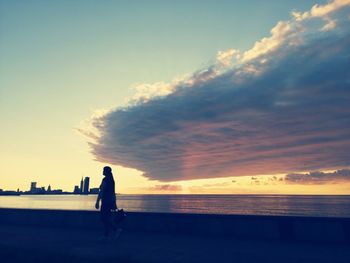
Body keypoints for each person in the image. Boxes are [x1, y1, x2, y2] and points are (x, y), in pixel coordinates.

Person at [95, 166, 119, 238]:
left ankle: (114, 230)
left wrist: (97, 201)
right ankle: (108, 233)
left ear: (106, 171)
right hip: (110, 202)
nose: (102, 171)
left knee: (104, 218)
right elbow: (113, 193)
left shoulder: (105, 179)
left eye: (104, 170)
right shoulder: (112, 180)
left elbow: (101, 191)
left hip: (105, 202)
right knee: (106, 218)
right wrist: (114, 203)